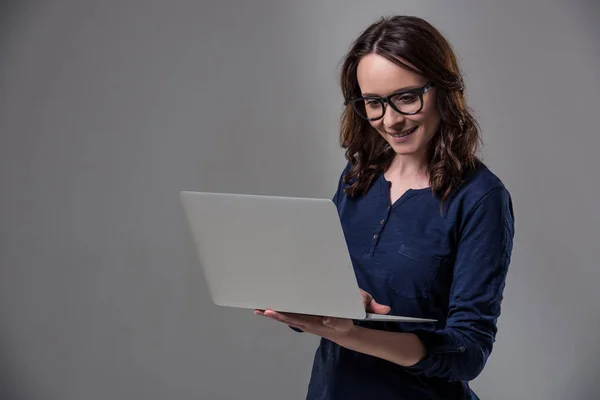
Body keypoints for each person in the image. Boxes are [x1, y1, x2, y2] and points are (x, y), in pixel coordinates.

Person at [254, 15, 515, 400]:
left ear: (443, 89)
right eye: (373, 103)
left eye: (406, 97)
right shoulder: (358, 176)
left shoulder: (480, 198)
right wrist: (300, 302)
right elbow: (327, 302)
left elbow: (467, 352)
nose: (390, 120)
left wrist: (353, 332)